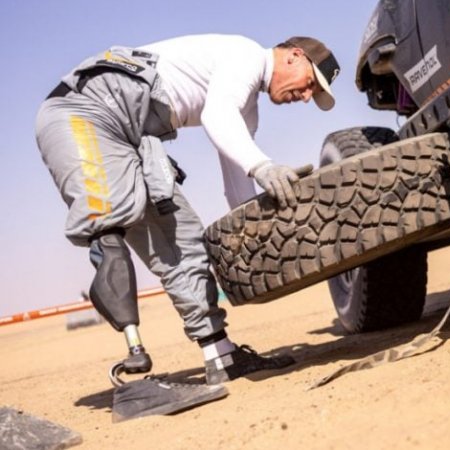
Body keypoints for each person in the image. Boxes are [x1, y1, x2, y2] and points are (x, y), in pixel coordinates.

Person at [34, 34, 341, 387]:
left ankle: (221, 357)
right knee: (111, 222)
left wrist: (253, 229)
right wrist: (264, 166)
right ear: (294, 56)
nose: (305, 97)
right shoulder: (245, 55)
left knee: (184, 241)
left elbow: (236, 174)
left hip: (132, 135)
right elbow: (217, 116)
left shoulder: (247, 106)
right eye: (310, 84)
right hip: (82, 111)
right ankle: (132, 361)